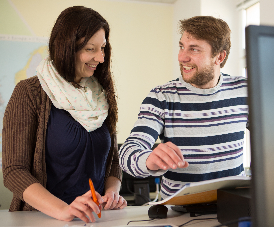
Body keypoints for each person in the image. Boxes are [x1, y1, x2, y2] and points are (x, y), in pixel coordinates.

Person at [2, 6, 127, 223]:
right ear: (66, 47)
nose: (100, 57)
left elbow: (113, 160)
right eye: (90, 49)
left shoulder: (101, 94)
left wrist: (112, 192)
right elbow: (14, 171)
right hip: (44, 219)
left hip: (95, 218)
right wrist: (63, 210)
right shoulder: (29, 93)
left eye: (103, 48)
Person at [119, 16, 248, 200]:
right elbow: (127, 152)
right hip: (179, 213)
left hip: (232, 206)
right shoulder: (161, 96)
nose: (182, 57)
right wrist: (148, 160)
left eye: (194, 49)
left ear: (219, 57)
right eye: (181, 47)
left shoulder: (244, 90)